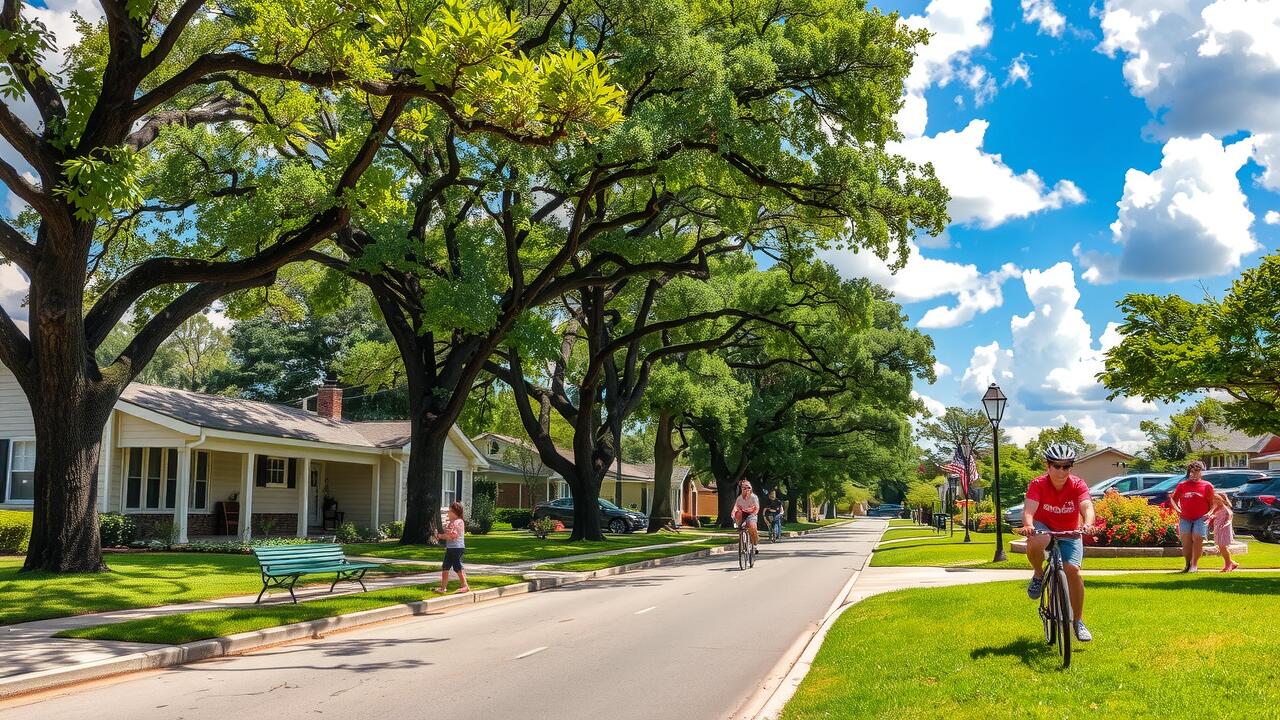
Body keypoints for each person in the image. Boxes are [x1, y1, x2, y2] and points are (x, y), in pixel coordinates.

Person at [1020, 443, 1096, 643]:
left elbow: (1087, 506)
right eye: (1057, 465)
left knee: (1073, 571)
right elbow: (1029, 509)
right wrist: (1028, 525)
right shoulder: (1038, 484)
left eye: (1067, 466)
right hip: (1044, 526)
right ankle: (1038, 574)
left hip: (1069, 530)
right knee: (1039, 538)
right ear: (1048, 465)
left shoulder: (1078, 484)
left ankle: (1078, 621)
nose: (1062, 470)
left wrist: (1088, 524)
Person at [1170, 461, 1215, 573]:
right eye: (1192, 473)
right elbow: (1173, 499)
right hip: (1185, 517)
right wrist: (1177, 509)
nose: (1194, 475)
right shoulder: (1182, 485)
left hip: (1200, 517)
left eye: (1197, 473)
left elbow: (1212, 502)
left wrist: (1210, 513)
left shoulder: (1207, 486)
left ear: (1201, 473)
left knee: (1197, 538)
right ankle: (1187, 564)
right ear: (1189, 473)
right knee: (1186, 542)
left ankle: (1194, 565)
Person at [435, 501, 469, 594]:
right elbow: (450, 534)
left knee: (457, 567)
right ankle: (443, 588)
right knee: (445, 567)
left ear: (456, 512)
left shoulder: (458, 522)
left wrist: (440, 536)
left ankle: (465, 586)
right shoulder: (453, 522)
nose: (448, 513)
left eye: (450, 511)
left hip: (457, 548)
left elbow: (452, 535)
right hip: (451, 548)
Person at [1209, 490, 1238, 573]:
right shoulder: (1216, 508)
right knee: (1221, 548)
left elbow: (1229, 520)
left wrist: (1225, 524)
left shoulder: (1226, 510)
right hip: (1218, 530)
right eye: (1213, 499)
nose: (1214, 501)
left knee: (1223, 548)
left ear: (1222, 500)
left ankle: (1228, 565)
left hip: (1224, 531)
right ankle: (1232, 563)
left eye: (1216, 499)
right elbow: (1212, 515)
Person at [732, 481, 761, 554]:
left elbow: (757, 508)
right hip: (743, 514)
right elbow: (736, 508)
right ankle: (743, 543)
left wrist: (753, 514)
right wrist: (733, 514)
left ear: (751, 489)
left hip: (752, 513)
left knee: (752, 526)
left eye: (748, 487)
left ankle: (754, 545)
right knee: (740, 521)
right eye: (744, 488)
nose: (746, 489)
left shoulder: (754, 497)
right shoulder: (739, 499)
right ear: (741, 489)